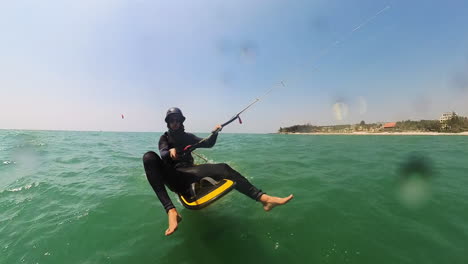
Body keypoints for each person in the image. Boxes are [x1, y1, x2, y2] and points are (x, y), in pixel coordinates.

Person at [143, 107, 293, 236]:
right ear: (168, 123)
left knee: (224, 168)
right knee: (148, 157)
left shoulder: (187, 137)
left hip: (191, 172)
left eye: (177, 120)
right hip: (174, 176)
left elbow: (208, 144)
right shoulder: (165, 138)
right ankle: (171, 211)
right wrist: (170, 151)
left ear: (181, 121)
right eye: (171, 120)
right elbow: (162, 152)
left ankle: (264, 199)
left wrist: (215, 133)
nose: (174, 123)